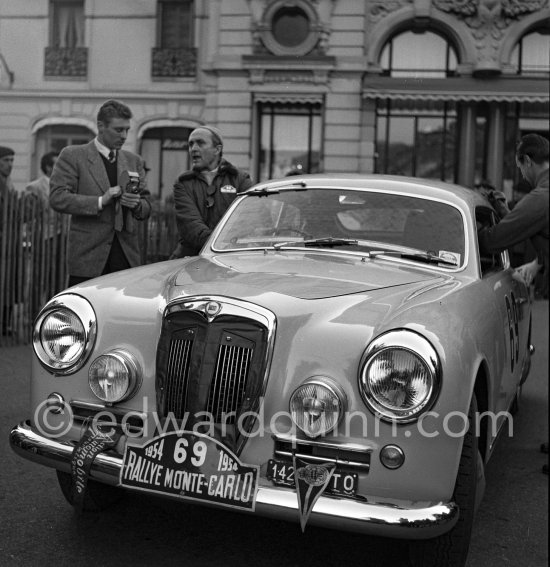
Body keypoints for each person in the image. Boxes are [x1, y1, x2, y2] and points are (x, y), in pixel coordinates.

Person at [50, 99, 151, 286]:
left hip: (126, 257)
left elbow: (146, 206)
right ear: (101, 126)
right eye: (118, 130)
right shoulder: (73, 155)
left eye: (127, 130)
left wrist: (136, 204)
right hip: (88, 258)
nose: (124, 136)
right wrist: (99, 201)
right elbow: (58, 198)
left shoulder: (133, 161)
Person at [478, 133, 549, 299]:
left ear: (527, 161)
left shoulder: (541, 198)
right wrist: (537, 263)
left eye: (520, 167)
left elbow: (494, 240)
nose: (523, 175)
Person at [171, 125, 253, 258]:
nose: (194, 149)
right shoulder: (183, 183)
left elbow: (248, 220)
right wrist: (220, 245)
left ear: (217, 149)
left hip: (231, 258)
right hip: (191, 260)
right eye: (191, 144)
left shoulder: (240, 179)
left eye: (200, 143)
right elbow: (191, 226)